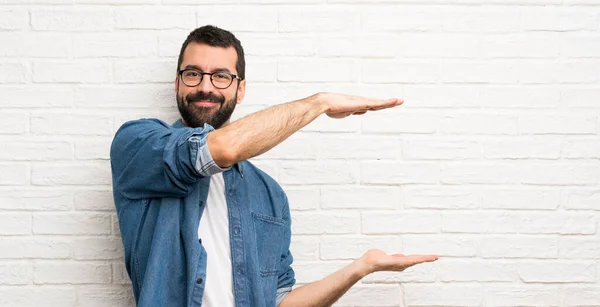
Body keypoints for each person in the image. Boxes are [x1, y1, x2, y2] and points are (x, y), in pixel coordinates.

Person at [110, 25, 438, 307]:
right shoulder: (138, 145)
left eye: (221, 76)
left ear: (241, 89)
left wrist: (360, 267)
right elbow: (221, 148)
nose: (206, 86)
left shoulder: (269, 194)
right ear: (177, 84)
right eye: (193, 73)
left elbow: (280, 301)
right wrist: (319, 102)